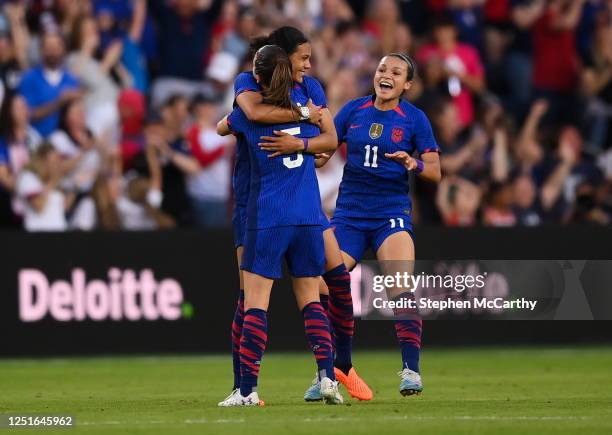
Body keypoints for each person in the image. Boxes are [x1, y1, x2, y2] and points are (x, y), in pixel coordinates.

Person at [219, 26, 372, 404]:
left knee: (255, 301)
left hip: (267, 214)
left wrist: (298, 141)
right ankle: (327, 376)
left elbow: (225, 124)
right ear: (284, 59)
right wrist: (306, 126)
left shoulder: (251, 111)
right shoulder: (305, 107)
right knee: (311, 297)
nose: (309, 64)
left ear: (261, 75)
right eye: (303, 58)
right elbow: (327, 132)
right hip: (304, 212)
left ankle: (248, 389)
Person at [317, 53, 441, 395]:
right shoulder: (354, 111)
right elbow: (326, 149)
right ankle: (333, 370)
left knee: (399, 285)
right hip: (349, 215)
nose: (386, 74)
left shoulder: (415, 119)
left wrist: (412, 163)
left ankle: (411, 371)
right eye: (383, 68)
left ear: (407, 85)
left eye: (396, 72)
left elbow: (435, 171)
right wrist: (309, 152)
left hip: (391, 214)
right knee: (325, 286)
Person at [17, 32, 82, 137]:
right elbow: (27, 115)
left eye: (56, 47)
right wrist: (59, 102)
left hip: (67, 142)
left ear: (64, 49)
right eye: (48, 47)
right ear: (41, 50)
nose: (52, 51)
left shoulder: (71, 80)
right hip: (36, 139)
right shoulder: (29, 78)